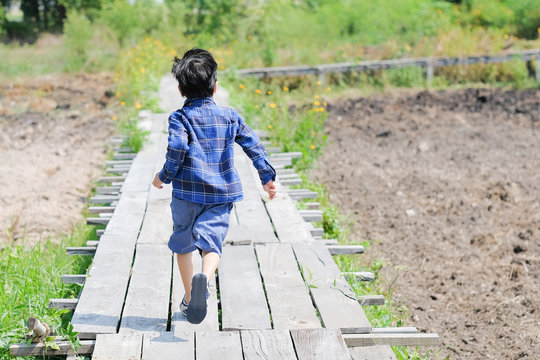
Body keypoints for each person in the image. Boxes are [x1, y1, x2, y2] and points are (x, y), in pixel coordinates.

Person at [152, 48, 277, 324]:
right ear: (215, 87)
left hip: (186, 194)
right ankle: (204, 278)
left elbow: (176, 148)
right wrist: (266, 175)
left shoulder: (179, 118)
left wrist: (165, 175)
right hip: (220, 194)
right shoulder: (230, 116)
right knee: (212, 244)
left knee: (183, 242)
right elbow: (253, 144)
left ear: (181, 89)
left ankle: (188, 298)